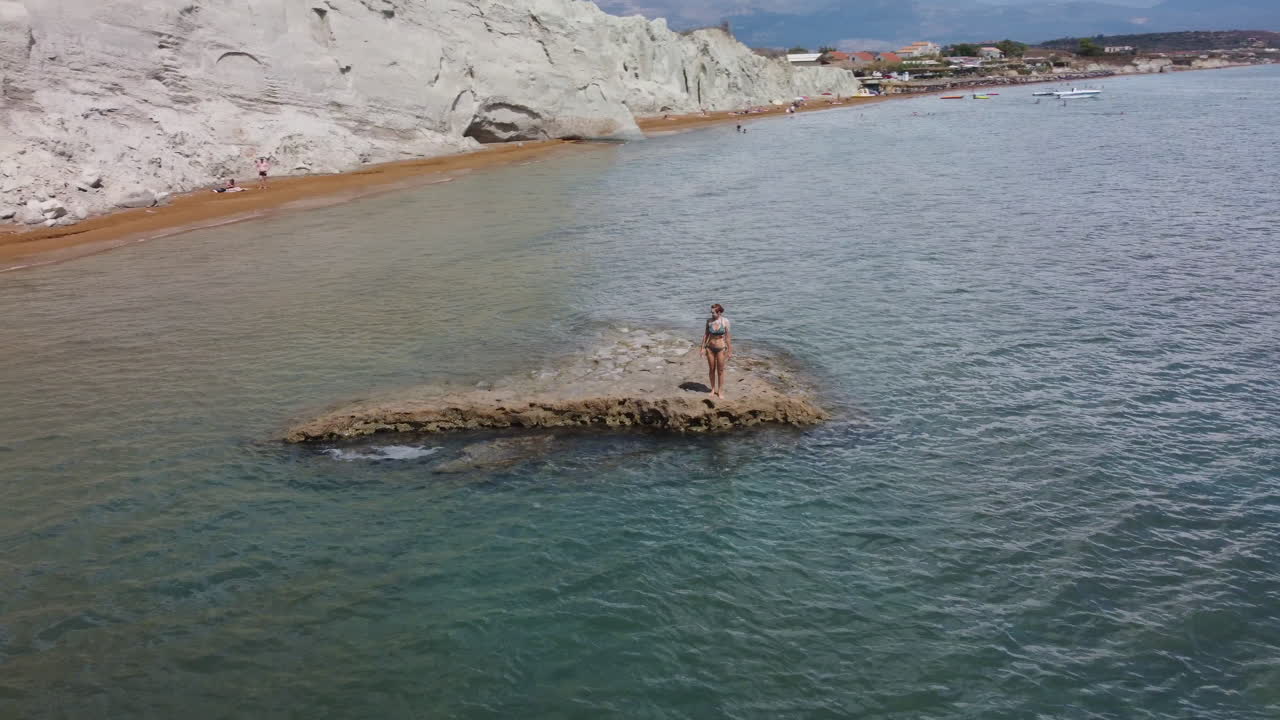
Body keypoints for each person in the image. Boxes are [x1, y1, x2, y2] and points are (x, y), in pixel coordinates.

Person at [700, 303, 732, 399]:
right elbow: (706, 335)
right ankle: (713, 389)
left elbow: (728, 337)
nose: (711, 314)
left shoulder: (725, 321)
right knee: (712, 369)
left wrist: (730, 350)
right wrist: (702, 348)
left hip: (721, 348)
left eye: (713, 312)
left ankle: (720, 391)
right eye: (711, 312)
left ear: (719, 312)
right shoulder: (709, 321)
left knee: (720, 371)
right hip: (710, 348)